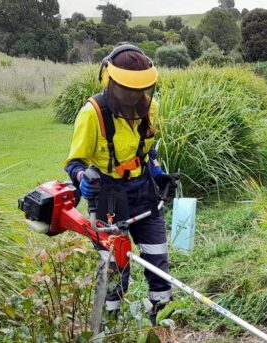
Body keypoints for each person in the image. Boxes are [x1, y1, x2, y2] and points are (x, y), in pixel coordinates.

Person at [63, 44, 178, 325]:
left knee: (157, 260)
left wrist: (157, 169)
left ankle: (160, 325)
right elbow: (74, 163)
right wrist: (81, 180)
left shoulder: (151, 109)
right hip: (109, 196)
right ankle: (110, 326)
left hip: (144, 190)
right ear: (109, 80)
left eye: (140, 89)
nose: (134, 96)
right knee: (115, 267)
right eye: (127, 89)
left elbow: (147, 149)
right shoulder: (92, 114)